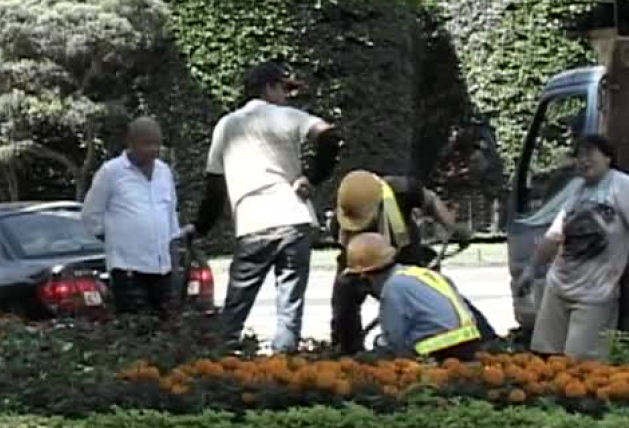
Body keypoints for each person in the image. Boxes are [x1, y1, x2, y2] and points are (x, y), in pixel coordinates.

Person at [186, 61, 342, 353]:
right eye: (284, 89)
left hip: (253, 222)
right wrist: (313, 177)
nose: (287, 96)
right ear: (268, 88)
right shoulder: (288, 117)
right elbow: (330, 136)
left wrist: (200, 228)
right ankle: (286, 362)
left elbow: (215, 188)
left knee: (236, 305)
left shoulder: (227, 125)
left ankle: (222, 359)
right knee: (289, 307)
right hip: (294, 218)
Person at [514, 134, 629, 360]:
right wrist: (531, 268)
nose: (583, 160)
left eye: (589, 154)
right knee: (546, 356)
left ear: (608, 157)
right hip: (557, 287)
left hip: (594, 293)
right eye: (579, 156)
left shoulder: (621, 184)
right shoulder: (577, 190)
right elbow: (554, 235)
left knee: (582, 364)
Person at [327, 169, 496, 354]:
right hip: (363, 260)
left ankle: (487, 340)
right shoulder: (342, 219)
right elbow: (349, 257)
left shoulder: (400, 189)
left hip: (405, 255)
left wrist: (452, 227)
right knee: (344, 296)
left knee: (432, 294)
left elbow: (430, 200)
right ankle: (348, 351)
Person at [81, 117, 187, 316]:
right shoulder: (111, 172)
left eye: (157, 144)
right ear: (131, 142)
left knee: (166, 326)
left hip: (162, 270)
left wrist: (174, 263)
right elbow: (90, 215)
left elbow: (171, 217)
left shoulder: (164, 172)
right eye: (147, 143)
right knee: (136, 325)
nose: (153, 149)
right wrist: (115, 239)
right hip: (128, 270)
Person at [344, 233, 487, 360]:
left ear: (365, 275)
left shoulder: (393, 287)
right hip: (472, 344)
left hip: (439, 352)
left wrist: (376, 346)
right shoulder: (422, 274)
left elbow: (394, 341)